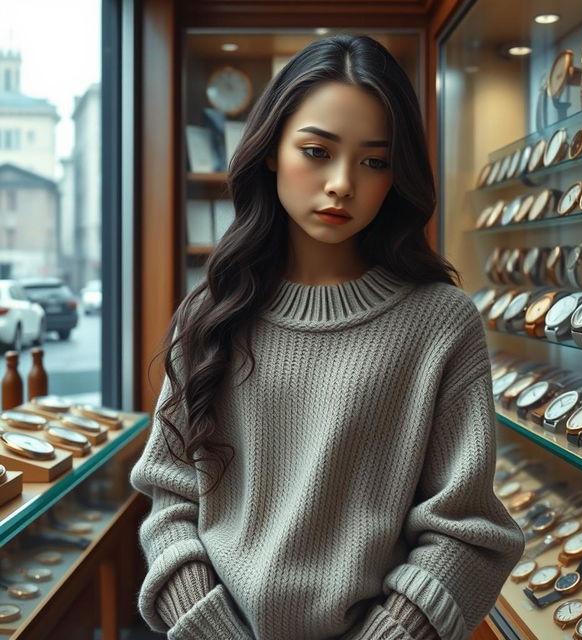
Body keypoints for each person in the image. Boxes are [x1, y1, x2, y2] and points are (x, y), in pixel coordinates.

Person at [130, 33, 525, 640]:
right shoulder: (211, 313)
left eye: (374, 161)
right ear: (270, 151)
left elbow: (467, 531)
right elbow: (170, 502)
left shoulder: (440, 323)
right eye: (317, 150)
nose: (342, 182)